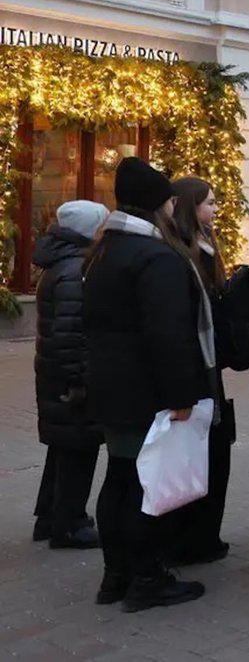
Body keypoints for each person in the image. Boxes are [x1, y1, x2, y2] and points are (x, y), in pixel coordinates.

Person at [83, 157, 208, 611]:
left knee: (119, 477)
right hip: (146, 391)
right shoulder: (156, 257)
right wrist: (180, 396)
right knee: (144, 486)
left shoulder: (104, 251)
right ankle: (146, 578)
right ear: (160, 206)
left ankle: (115, 576)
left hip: (112, 386)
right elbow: (167, 335)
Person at [166, 177, 235, 566]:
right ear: (189, 206)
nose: (214, 208)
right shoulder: (185, 252)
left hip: (208, 364)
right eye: (209, 203)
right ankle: (195, 538)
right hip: (197, 365)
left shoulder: (204, 246)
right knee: (201, 449)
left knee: (211, 447)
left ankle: (203, 534)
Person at [32, 200, 107, 550]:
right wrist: (80, 379)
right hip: (70, 379)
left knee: (62, 447)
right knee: (78, 448)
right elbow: (70, 332)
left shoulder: (60, 262)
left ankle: (49, 516)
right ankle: (69, 523)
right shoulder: (76, 268)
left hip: (54, 373)